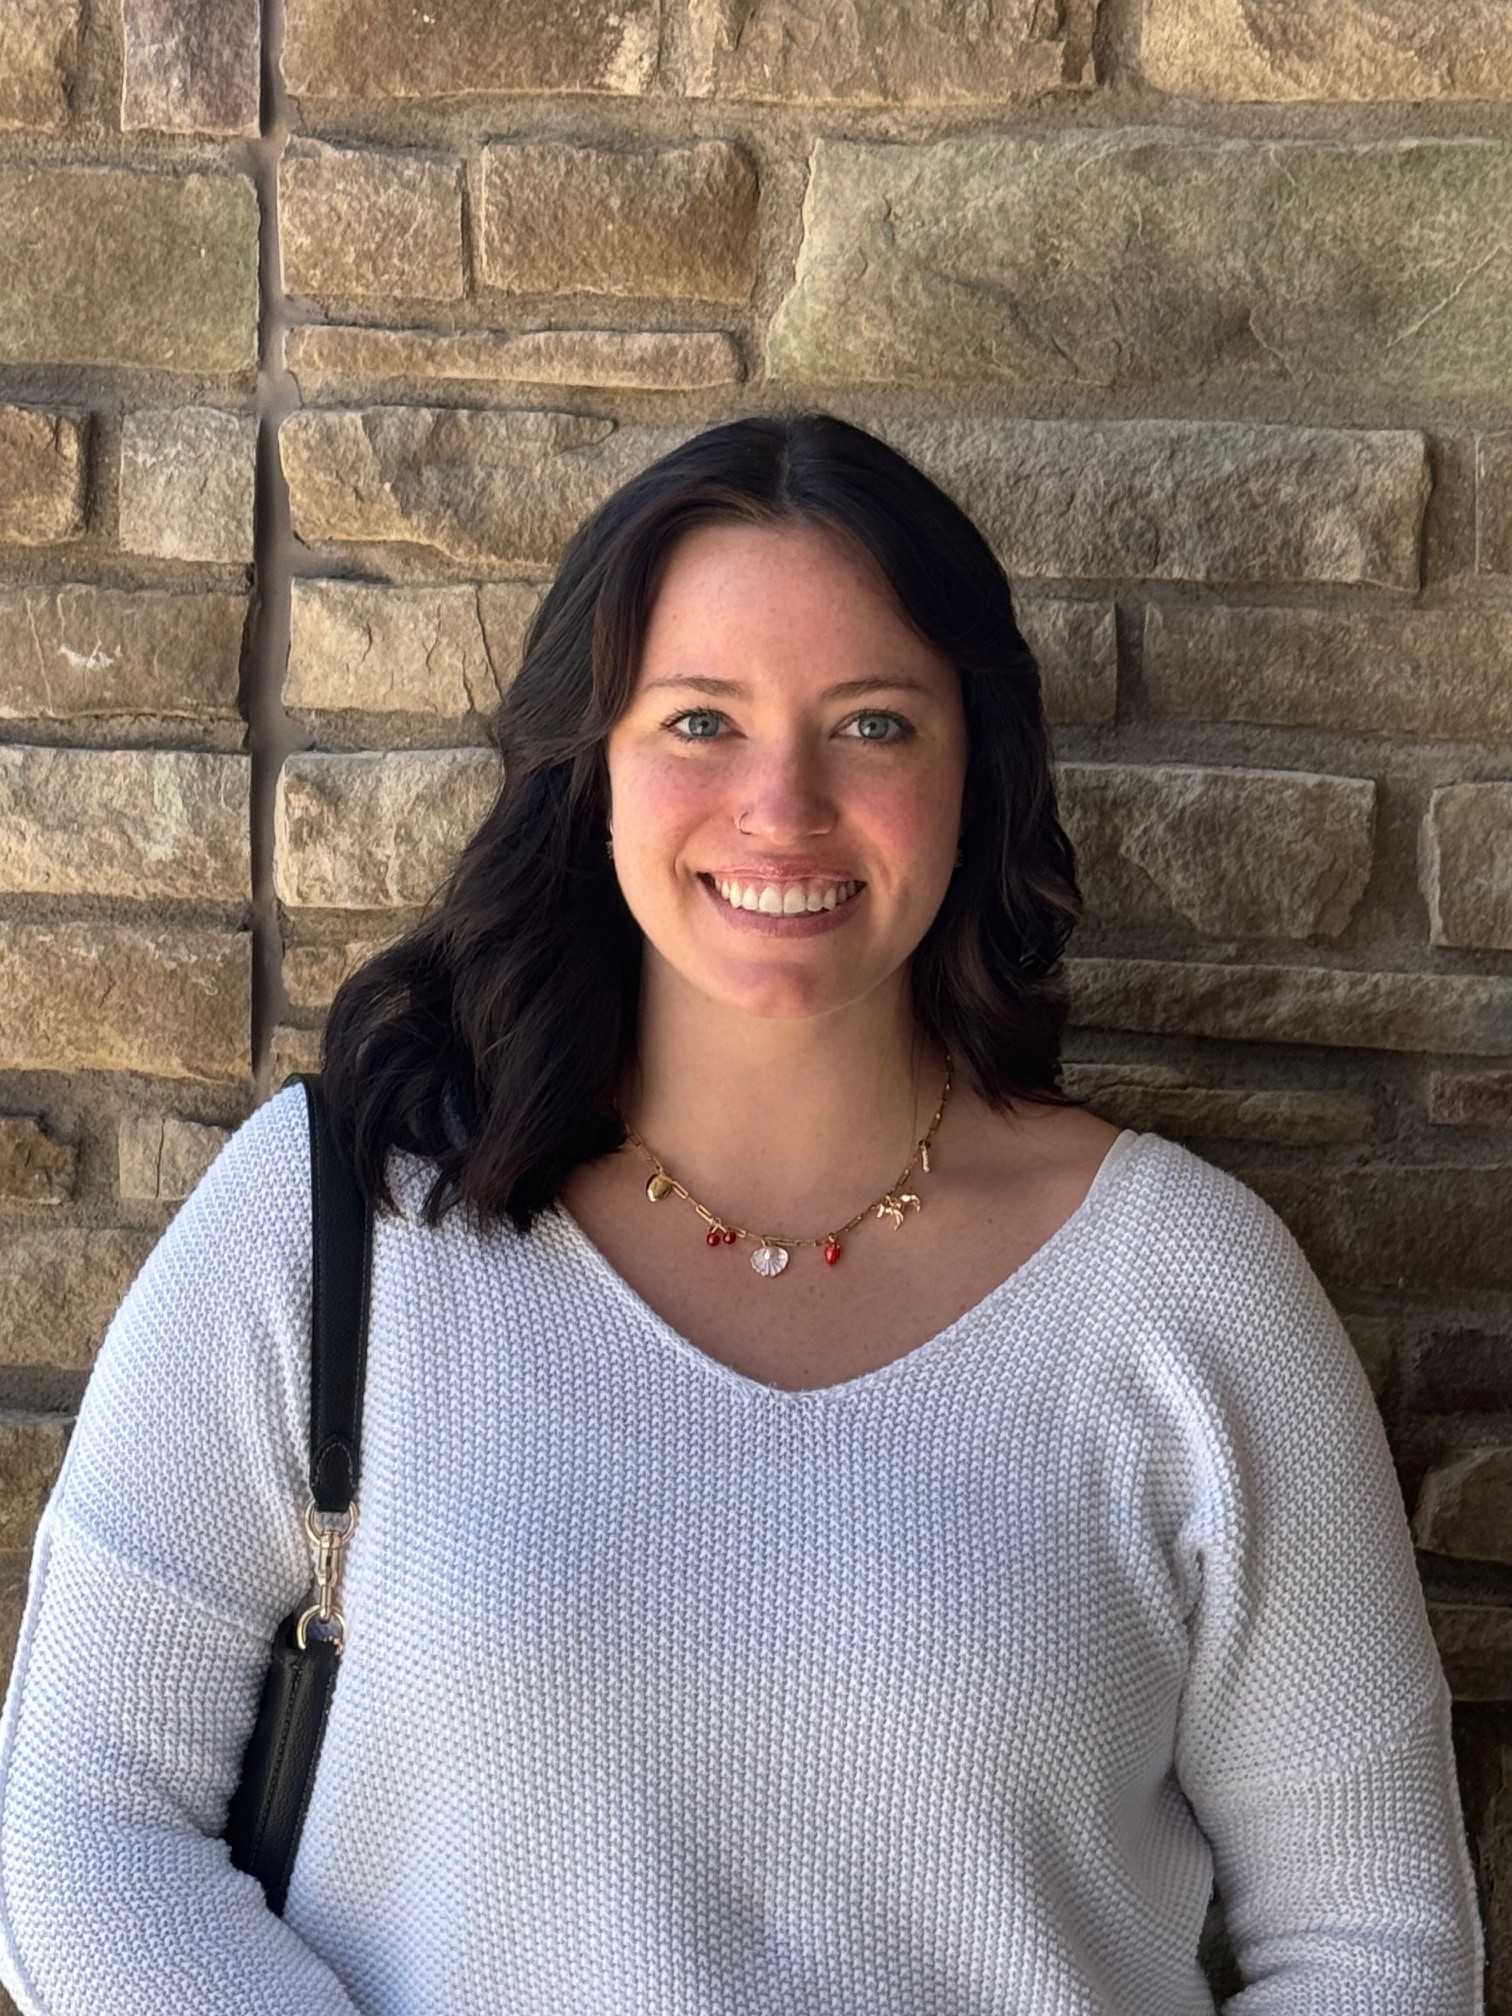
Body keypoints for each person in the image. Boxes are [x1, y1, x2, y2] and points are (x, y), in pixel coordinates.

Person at [0, 411, 1485, 2014]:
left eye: (872, 725)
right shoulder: (339, 1224)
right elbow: (87, 1834)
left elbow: (1374, 1936)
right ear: (594, 771)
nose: (783, 803)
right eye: (701, 720)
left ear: (976, 766)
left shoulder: (1190, 1299)